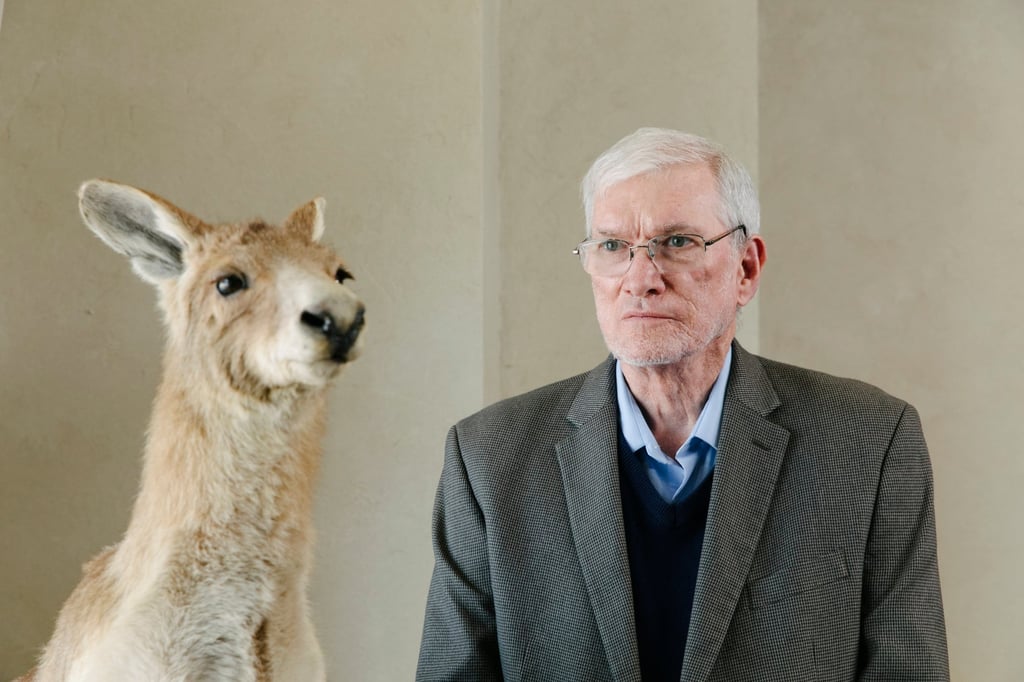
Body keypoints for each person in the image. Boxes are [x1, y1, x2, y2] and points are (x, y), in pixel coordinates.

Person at [416, 127, 949, 681]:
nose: (640, 280)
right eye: (613, 247)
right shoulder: (488, 458)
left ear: (746, 269)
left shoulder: (870, 442)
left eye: (676, 242)